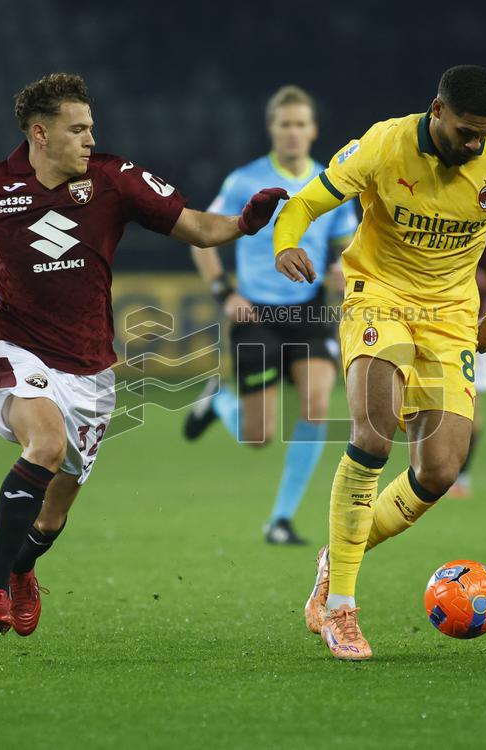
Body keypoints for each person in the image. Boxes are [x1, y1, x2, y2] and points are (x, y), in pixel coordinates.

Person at [0, 73, 286, 635]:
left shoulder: (114, 179)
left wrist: (245, 224)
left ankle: (22, 569)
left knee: (52, 516)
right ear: (40, 133)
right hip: (17, 350)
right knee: (45, 443)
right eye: (77, 129)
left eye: (90, 128)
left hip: (92, 372)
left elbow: (198, 227)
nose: (88, 138)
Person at [273, 65, 486, 660]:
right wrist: (284, 241)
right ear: (436, 111)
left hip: (451, 315)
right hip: (380, 297)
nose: (475, 145)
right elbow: (305, 203)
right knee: (373, 430)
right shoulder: (381, 145)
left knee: (441, 469)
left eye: (485, 134)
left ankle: (337, 554)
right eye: (467, 132)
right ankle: (340, 607)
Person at [183, 85, 358, 545]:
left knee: (317, 405)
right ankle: (217, 401)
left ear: (314, 130)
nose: (294, 132)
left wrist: (343, 266)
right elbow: (200, 235)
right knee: (258, 435)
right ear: (272, 130)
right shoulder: (245, 181)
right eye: (286, 124)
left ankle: (280, 520)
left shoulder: (332, 182)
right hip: (255, 314)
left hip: (310, 309)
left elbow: (349, 244)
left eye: (301, 124)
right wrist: (225, 292)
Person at [448, 216, 486, 498]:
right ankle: (431, 471)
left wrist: (480, 281)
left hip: (471, 323)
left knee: (471, 410)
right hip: (427, 319)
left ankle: (461, 477)